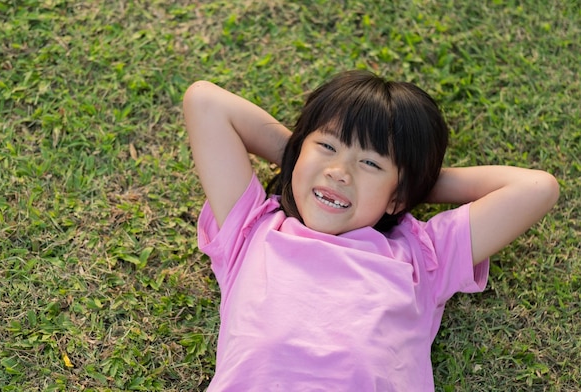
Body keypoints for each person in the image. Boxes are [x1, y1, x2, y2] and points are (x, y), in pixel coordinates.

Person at [183, 70, 559, 391]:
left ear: (398, 196)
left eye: (370, 163)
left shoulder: (422, 257)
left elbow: (536, 189)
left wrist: (414, 187)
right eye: (327, 146)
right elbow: (205, 103)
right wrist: (299, 155)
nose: (339, 171)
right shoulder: (252, 231)